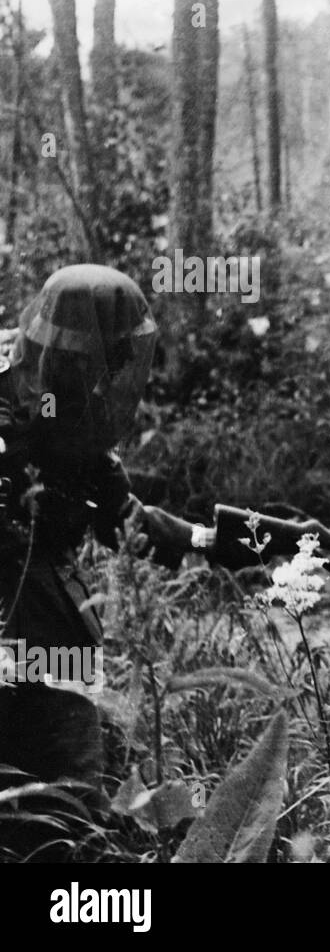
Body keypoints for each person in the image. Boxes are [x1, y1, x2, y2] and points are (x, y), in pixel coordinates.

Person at [0, 265, 199, 860]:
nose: (104, 376)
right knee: (54, 808)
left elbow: (121, 515)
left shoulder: (79, 415)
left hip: (53, 621)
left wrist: (210, 541)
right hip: (24, 615)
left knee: (65, 807)